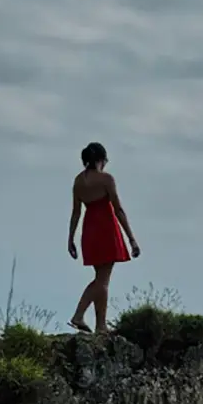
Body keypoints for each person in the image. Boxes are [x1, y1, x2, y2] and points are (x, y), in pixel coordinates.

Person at [68, 142, 140, 333]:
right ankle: (78, 314)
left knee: (101, 278)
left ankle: (101, 325)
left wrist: (70, 239)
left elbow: (76, 213)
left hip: (89, 229)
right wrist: (131, 239)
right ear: (102, 159)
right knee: (103, 280)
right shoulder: (106, 179)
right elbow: (118, 209)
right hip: (106, 229)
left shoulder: (78, 181)